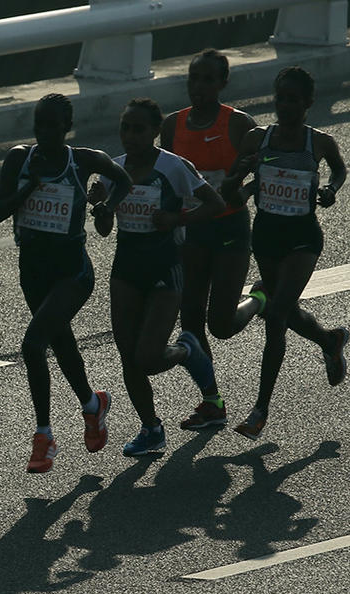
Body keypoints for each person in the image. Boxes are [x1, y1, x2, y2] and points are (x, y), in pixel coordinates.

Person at [0, 94, 132, 473]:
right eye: (40, 125)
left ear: (66, 128)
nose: (45, 133)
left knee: (34, 345)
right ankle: (93, 404)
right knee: (61, 341)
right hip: (33, 271)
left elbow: (123, 179)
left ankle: (44, 436)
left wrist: (106, 207)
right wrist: (29, 187)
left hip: (73, 272)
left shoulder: (83, 160)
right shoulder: (20, 159)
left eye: (53, 126)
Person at [92, 97, 226, 456]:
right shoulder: (112, 170)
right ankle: (151, 429)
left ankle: (186, 350)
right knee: (128, 357)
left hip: (166, 266)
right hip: (126, 269)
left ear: (155, 132)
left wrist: (177, 219)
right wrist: (100, 207)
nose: (130, 136)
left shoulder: (174, 167)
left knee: (148, 357)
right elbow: (105, 229)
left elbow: (215, 204)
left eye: (139, 129)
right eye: (125, 128)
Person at [221, 67, 349, 440]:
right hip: (266, 236)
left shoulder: (319, 143)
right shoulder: (256, 140)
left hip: (303, 238)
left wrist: (330, 189)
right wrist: (242, 179)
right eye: (280, 98)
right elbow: (231, 189)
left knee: (276, 314)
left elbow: (339, 171)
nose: (285, 106)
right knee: (286, 309)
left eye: (294, 99)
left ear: (308, 103)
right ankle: (329, 340)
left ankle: (260, 409)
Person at [161, 48, 266, 431]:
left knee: (220, 323)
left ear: (223, 83)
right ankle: (212, 401)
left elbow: (265, 173)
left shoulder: (239, 125)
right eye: (194, 78)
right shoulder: (172, 126)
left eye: (208, 79)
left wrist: (243, 189)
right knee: (189, 319)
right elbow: (166, 179)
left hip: (228, 229)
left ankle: (258, 299)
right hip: (191, 231)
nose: (200, 86)